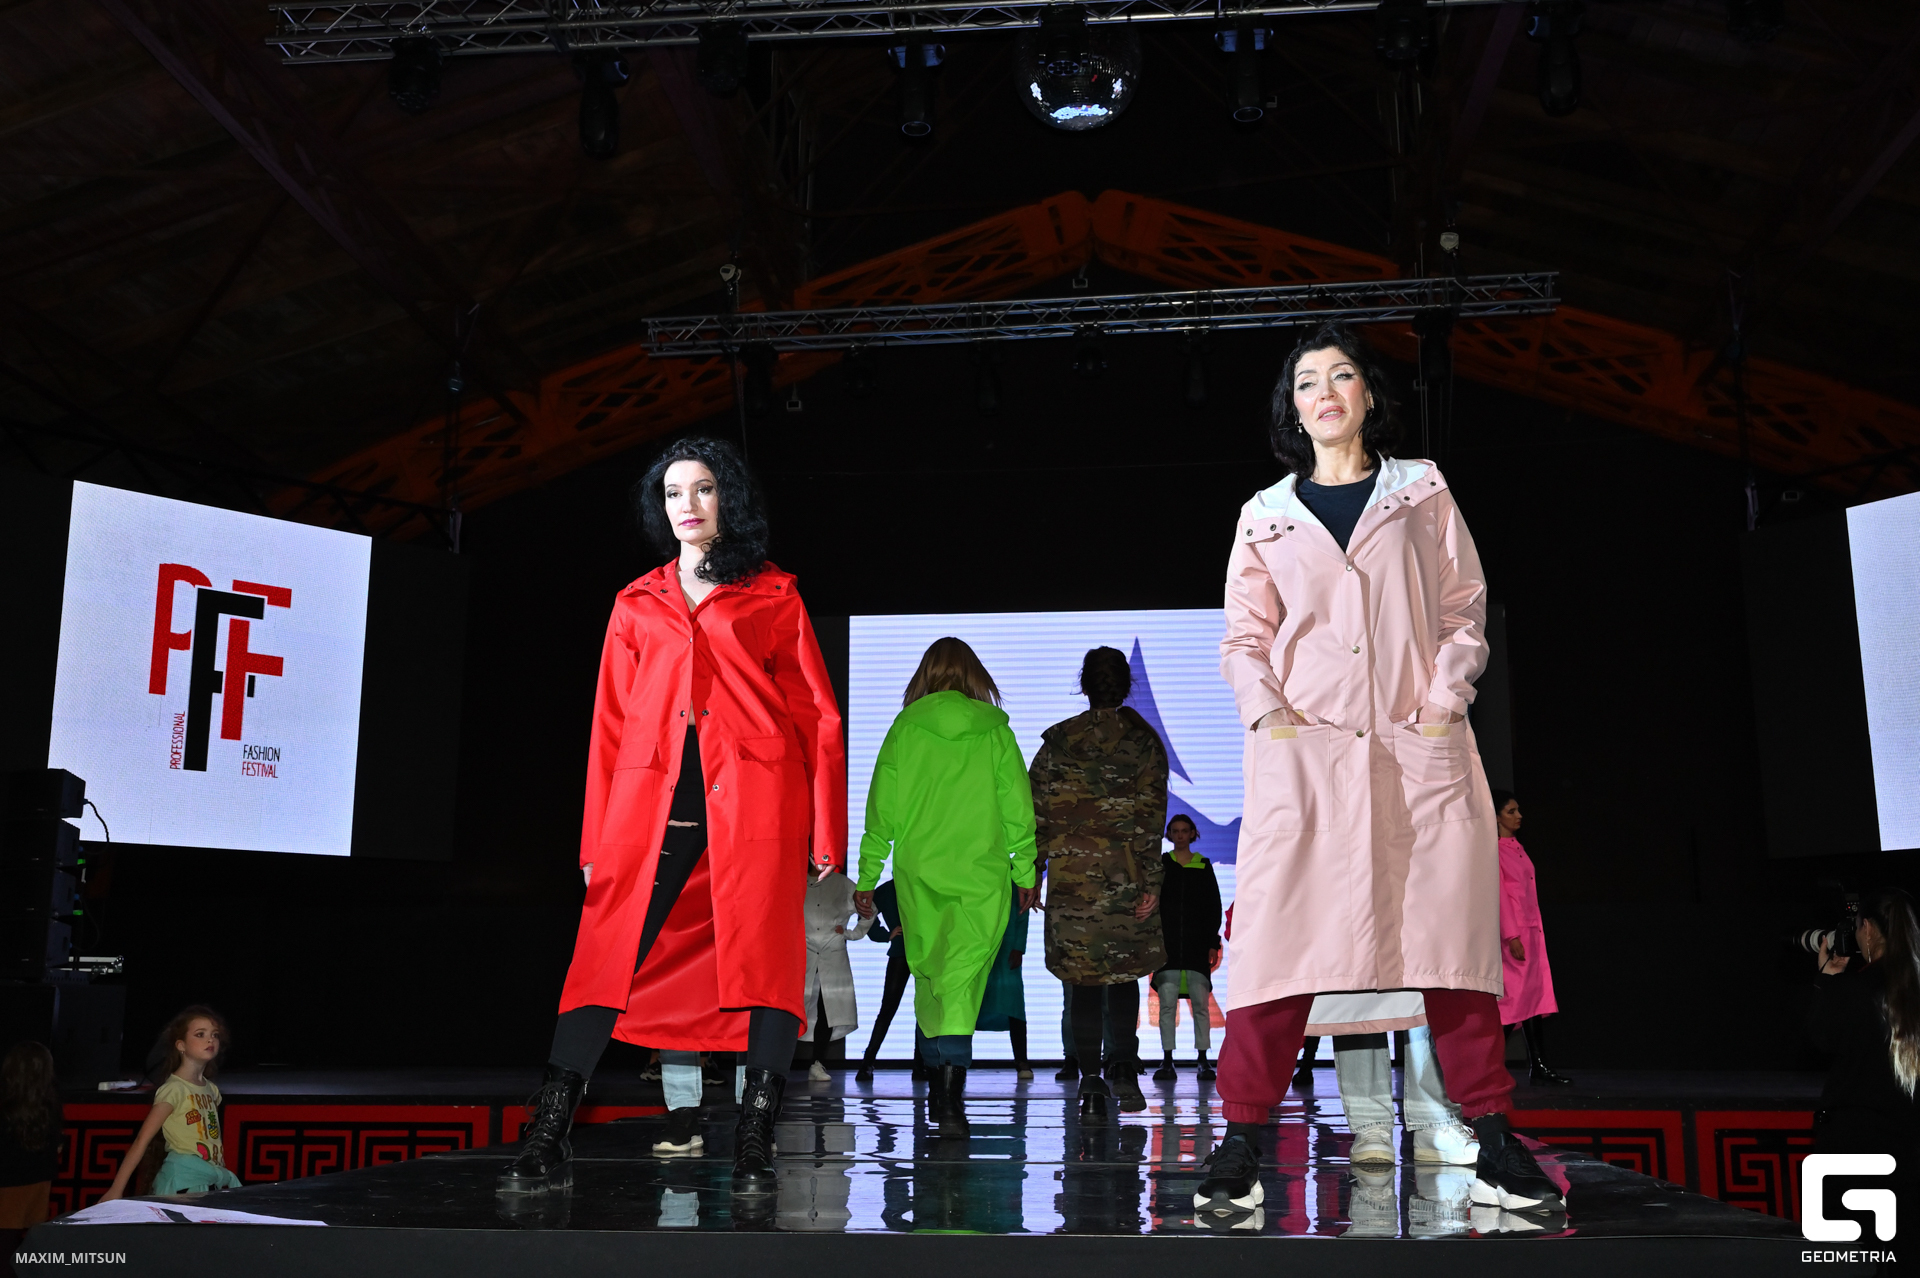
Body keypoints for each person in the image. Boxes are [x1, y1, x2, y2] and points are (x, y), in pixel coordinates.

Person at [1199, 322, 1560, 1218]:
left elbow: (1463, 607)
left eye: (1341, 376)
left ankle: (1494, 1139)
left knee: (1450, 948)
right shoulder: (1264, 514)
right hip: (1306, 760)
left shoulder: (1420, 491)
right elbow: (1244, 640)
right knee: (1277, 952)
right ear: (1292, 409)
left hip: (1415, 751)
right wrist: (1271, 718)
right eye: (1306, 382)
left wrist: (1442, 701)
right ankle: (1241, 1141)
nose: (1324, 392)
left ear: (1367, 395)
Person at [503, 436, 846, 1196]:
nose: (686, 505)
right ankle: (549, 1128)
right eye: (672, 493)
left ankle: (754, 1137)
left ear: (728, 499)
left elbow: (816, 715)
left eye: (702, 489)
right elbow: (609, 723)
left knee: (767, 966)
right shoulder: (636, 601)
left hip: (758, 796)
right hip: (651, 802)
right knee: (603, 958)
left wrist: (827, 830)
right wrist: (595, 837)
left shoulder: (773, 593)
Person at [854, 637, 1040, 1138]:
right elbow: (1018, 808)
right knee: (961, 980)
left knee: (933, 977)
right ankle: (950, 1097)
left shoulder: (905, 728)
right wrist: (1025, 872)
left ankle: (942, 1089)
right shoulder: (995, 731)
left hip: (921, 874)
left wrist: (868, 876)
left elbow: (881, 811)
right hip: (982, 875)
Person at [1031, 646, 1169, 1123]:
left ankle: (1090, 1082)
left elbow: (1035, 814)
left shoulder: (1058, 742)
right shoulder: (1143, 743)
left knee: (1083, 983)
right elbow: (1151, 820)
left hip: (1071, 882)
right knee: (1124, 977)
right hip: (1125, 877)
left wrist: (1033, 872)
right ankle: (1124, 1071)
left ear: (1083, 685)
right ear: (1126, 686)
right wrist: (1152, 880)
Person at [1811, 888, 1920, 1211]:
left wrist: (1827, 980)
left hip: (1858, 1152)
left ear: (1868, 928)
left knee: (1854, 1239)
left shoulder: (1853, 990)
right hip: (1911, 1151)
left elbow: (1820, 1040)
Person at [102, 1007, 242, 1200]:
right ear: (181, 1045)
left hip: (207, 1179)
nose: (210, 1040)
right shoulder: (174, 1089)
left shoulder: (212, 1090)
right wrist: (116, 1189)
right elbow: (142, 1139)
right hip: (183, 1182)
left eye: (215, 1035)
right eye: (200, 1034)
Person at [1492, 790, 1570, 1085]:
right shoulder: (1494, 850)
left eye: (1518, 810)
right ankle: (1490, 1069)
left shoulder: (1517, 847)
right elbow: (1500, 896)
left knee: (1531, 1000)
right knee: (1513, 1002)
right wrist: (1511, 935)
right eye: (1511, 811)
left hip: (1530, 931)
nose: (1518, 816)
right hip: (1515, 934)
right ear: (1496, 816)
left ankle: (1538, 1065)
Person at [1151, 815, 1222, 1082]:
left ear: (1193, 833)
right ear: (1169, 834)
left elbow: (1213, 906)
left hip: (1196, 947)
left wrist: (1212, 943)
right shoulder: (1161, 865)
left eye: (1184, 831)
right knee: (1167, 1006)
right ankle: (1167, 1060)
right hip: (1167, 948)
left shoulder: (1203, 865)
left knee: (1200, 1006)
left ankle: (1203, 1059)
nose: (1180, 835)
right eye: (1175, 831)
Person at [796, 870, 874, 1080]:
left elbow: (869, 909)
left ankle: (817, 1063)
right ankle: (778, 1063)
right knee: (796, 1007)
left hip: (832, 953)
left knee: (827, 1008)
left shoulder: (842, 884)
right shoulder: (796, 880)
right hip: (802, 953)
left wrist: (852, 934)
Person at [854, 880, 919, 1082]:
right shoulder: (890, 889)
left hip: (919, 952)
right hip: (911, 951)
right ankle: (869, 1062)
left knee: (893, 1010)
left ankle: (868, 1063)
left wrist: (884, 934)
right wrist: (885, 935)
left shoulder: (889, 889)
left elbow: (866, 915)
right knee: (892, 1009)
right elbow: (865, 916)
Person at [0, 1042, 63, 1243]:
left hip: (7, 1186)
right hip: (39, 1183)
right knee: (26, 1245)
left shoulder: (5, 1105)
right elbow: (58, 1146)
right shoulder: (51, 1105)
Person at [976, 886, 1034, 1079]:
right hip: (976, 946)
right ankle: (958, 1060)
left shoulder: (1015, 878)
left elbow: (1023, 910)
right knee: (969, 1003)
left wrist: (1019, 947)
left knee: (1014, 1003)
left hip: (1007, 945)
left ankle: (1022, 1061)